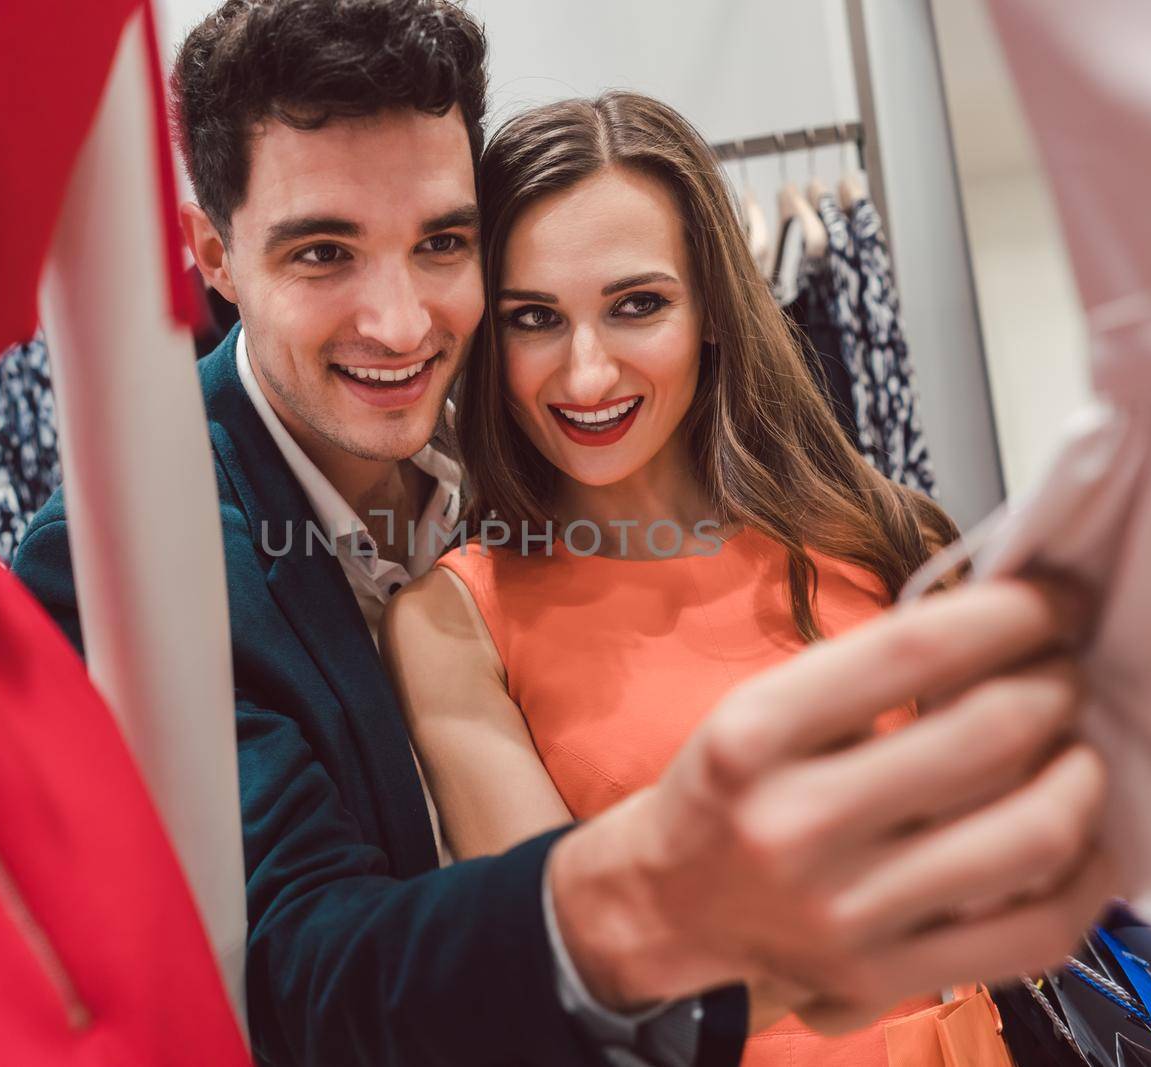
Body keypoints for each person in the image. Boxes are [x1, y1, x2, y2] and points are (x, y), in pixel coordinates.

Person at [13, 2, 1114, 1064]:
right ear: (211, 252)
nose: (400, 323)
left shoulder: (516, 452)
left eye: (443, 242)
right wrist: (640, 901)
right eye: (321, 254)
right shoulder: (122, 560)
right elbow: (297, 969)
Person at [378, 89, 1022, 1064]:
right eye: (535, 318)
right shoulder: (454, 619)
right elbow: (580, 963)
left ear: (712, 310)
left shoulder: (885, 536)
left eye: (637, 305)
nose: (586, 374)